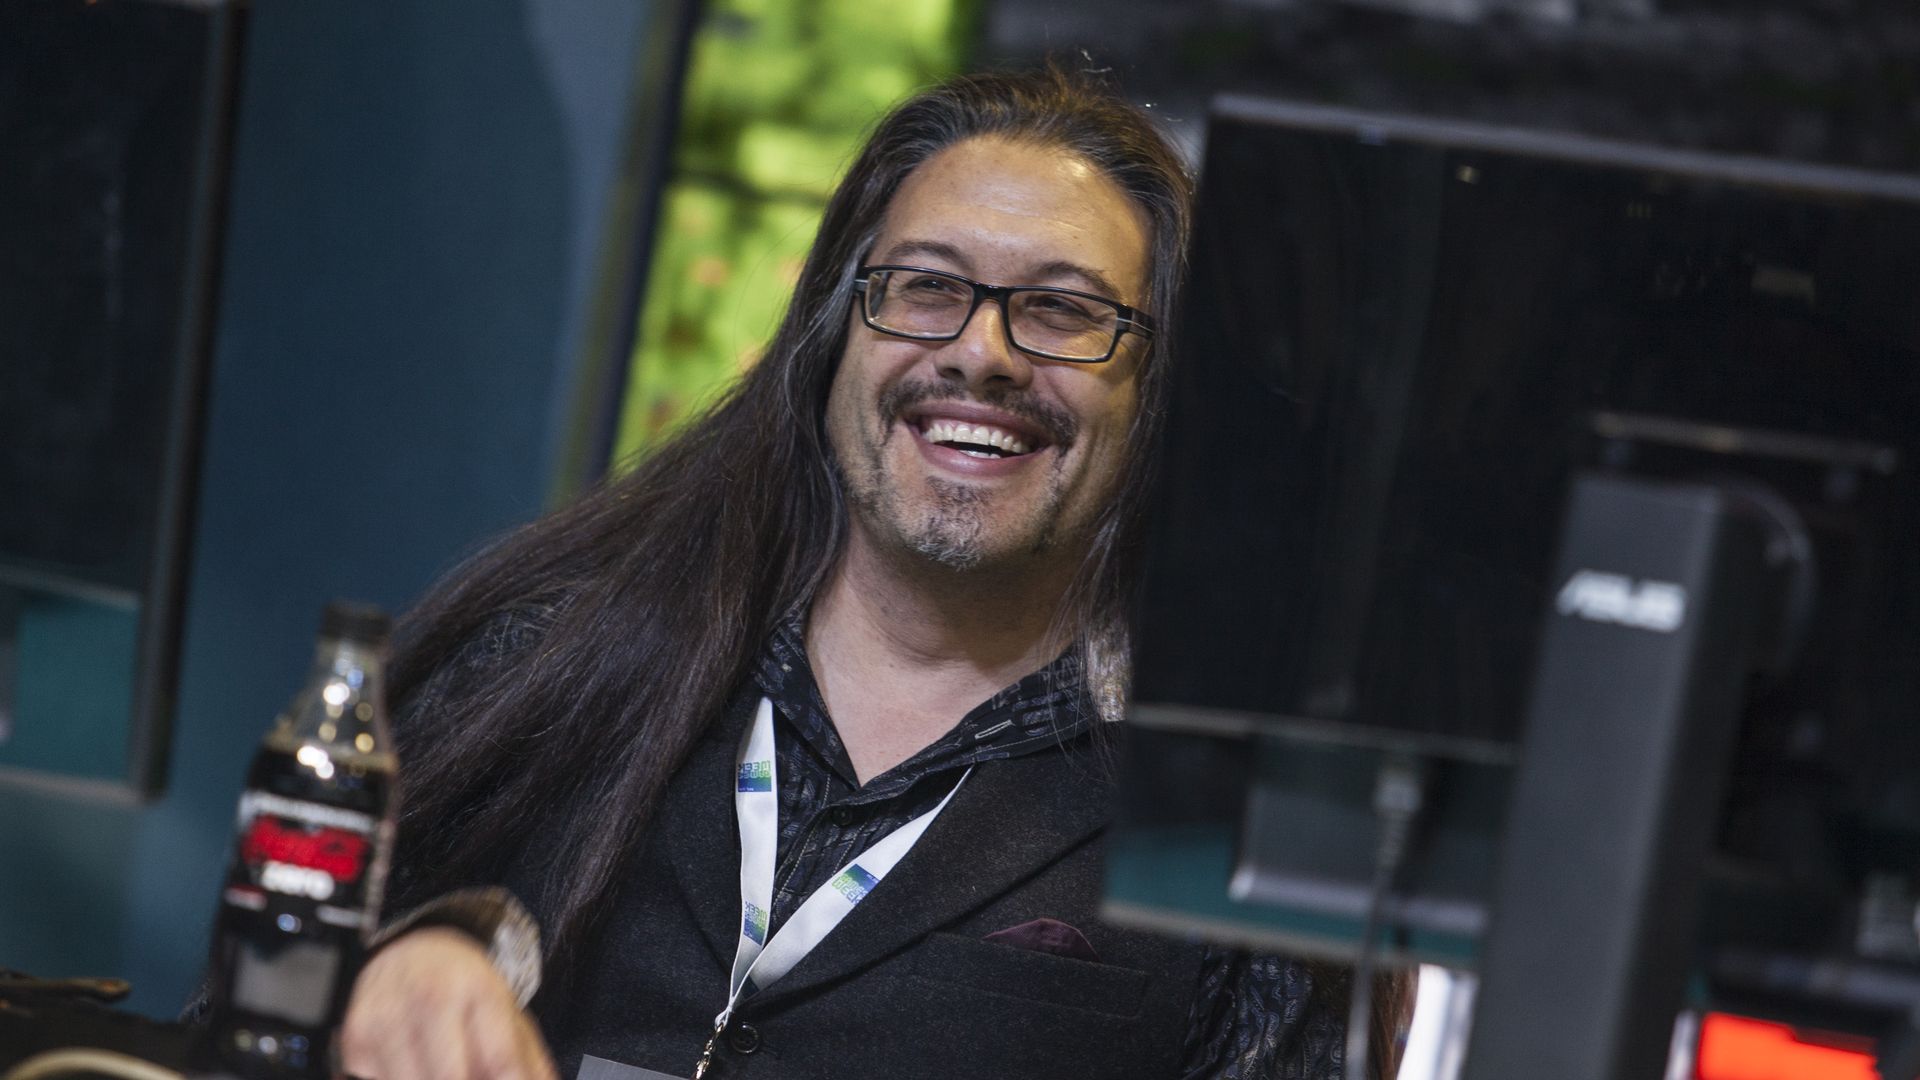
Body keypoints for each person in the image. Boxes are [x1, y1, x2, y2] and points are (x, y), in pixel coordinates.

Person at [336, 66, 1407, 1080]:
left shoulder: (1240, 827)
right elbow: (247, 996)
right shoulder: (553, 650)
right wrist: (380, 975)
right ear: (833, 331)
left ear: (1163, 390)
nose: (983, 352)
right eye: (927, 287)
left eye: (1065, 310)